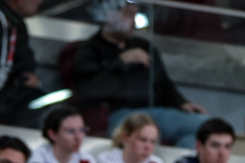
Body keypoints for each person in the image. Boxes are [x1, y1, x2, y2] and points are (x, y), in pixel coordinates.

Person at [68, 0, 204, 147]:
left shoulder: (144, 45)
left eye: (135, 15)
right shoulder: (90, 49)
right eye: (128, 14)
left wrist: (182, 103)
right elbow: (90, 89)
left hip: (156, 110)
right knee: (200, 126)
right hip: (120, 113)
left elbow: (163, 82)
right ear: (110, 15)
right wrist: (121, 62)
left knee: (200, 132)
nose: (134, 22)